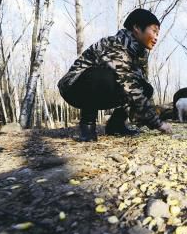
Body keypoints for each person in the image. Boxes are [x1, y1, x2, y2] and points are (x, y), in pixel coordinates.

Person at [57, 8, 172, 142]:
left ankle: (116, 125)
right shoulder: (115, 44)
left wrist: (150, 117)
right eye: (154, 31)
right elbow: (130, 87)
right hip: (74, 88)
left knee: (146, 87)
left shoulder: (141, 53)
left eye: (158, 33)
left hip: (100, 92)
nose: (156, 37)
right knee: (102, 75)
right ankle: (87, 126)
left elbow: (138, 89)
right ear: (136, 28)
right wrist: (158, 123)